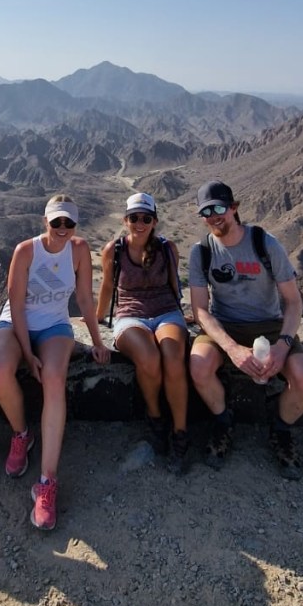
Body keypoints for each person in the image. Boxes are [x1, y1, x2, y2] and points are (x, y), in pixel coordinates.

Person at [0, 194, 110, 530]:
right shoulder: (26, 251)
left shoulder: (79, 250)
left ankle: (47, 482)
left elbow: (84, 298)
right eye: (57, 221)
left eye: (69, 222)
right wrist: (27, 353)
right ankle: (21, 434)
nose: (62, 228)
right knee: (0, 368)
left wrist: (98, 342)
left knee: (54, 378)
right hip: (16, 323)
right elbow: (15, 304)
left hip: (55, 325)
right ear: (45, 221)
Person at [187, 181, 303, 479]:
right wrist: (232, 348)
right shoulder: (201, 252)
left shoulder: (265, 244)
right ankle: (223, 420)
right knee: (198, 366)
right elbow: (201, 310)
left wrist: (283, 345)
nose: (213, 216)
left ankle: (281, 429)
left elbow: (294, 302)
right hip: (224, 325)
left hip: (270, 325)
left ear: (234, 208)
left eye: (219, 208)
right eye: (206, 212)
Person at [96, 193, 190, 473]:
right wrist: (98, 318)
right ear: (125, 220)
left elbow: (174, 284)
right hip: (130, 314)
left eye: (146, 218)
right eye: (134, 218)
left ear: (154, 221)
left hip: (166, 311)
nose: (140, 223)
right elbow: (108, 286)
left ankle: (181, 432)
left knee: (173, 359)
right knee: (148, 358)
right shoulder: (114, 250)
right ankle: (155, 417)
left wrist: (184, 314)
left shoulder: (167, 249)